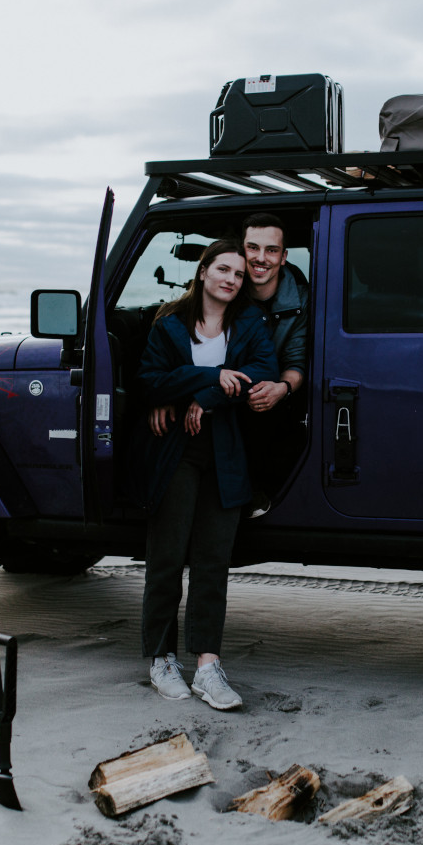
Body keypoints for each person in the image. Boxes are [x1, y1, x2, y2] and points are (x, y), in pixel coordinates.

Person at [134, 238, 278, 710]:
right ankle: (160, 659)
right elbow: (151, 381)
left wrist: (205, 396)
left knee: (213, 564)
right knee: (167, 557)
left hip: (226, 452)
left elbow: (260, 371)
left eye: (238, 275)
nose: (231, 279)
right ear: (202, 272)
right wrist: (210, 377)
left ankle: (208, 668)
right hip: (176, 450)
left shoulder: (250, 323)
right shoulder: (169, 324)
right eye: (223, 270)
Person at [239, 213, 310, 514]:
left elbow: (296, 361)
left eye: (271, 250)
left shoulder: (302, 300)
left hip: (272, 399)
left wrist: (282, 388)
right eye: (252, 248)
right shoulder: (226, 287)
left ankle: (257, 496)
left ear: (283, 257)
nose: (260, 258)